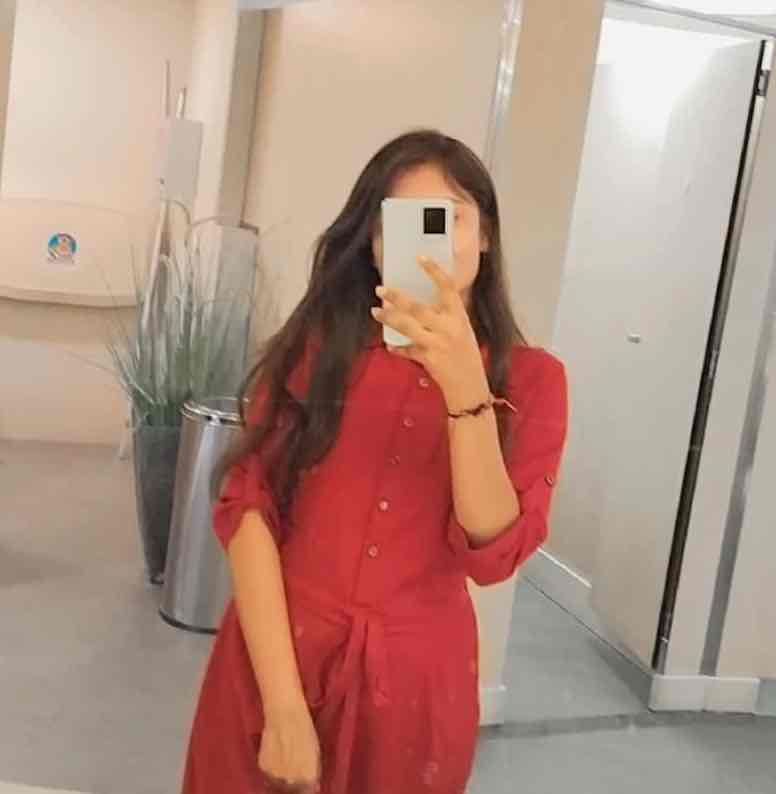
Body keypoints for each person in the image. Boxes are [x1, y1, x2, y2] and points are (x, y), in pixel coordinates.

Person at [180, 129, 569, 794]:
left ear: (485, 235)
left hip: (413, 692)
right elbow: (247, 505)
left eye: (448, 218)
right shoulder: (316, 348)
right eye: (403, 222)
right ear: (375, 243)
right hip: (277, 654)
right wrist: (283, 706)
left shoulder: (532, 381)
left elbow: (493, 553)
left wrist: (465, 389)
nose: (427, 241)